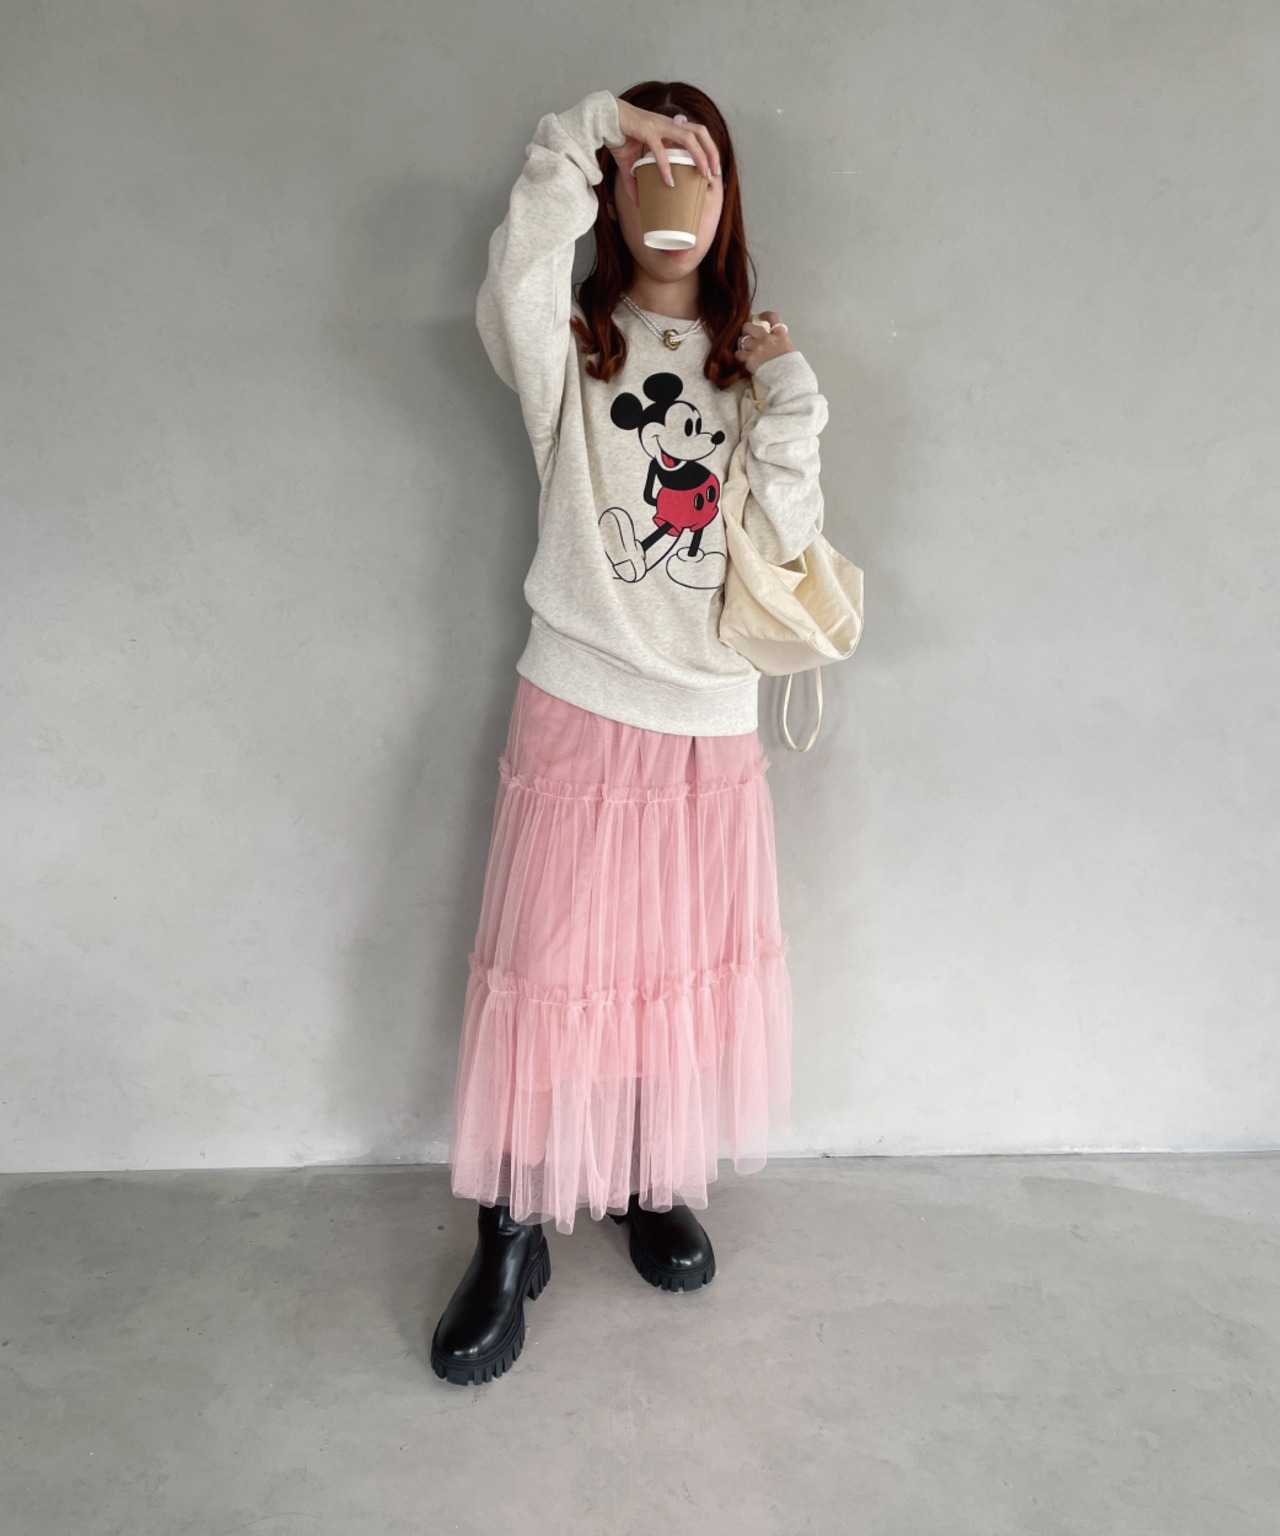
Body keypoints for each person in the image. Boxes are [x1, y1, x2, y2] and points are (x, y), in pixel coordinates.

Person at [431, 81, 829, 1385]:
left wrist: (792, 396)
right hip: (582, 697)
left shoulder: (748, 362)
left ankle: (653, 1177)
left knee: (676, 970)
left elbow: (782, 538)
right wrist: (587, 128)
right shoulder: (569, 344)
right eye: (647, 164)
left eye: (693, 164)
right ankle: (509, 1231)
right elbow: (520, 266)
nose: (671, 189)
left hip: (708, 721)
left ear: (726, 198)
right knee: (551, 971)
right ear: (614, 190)